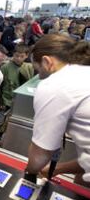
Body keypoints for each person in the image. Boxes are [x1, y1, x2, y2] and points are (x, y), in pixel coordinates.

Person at [24, 34, 90, 186]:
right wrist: (58, 169)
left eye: (38, 70)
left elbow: (41, 154)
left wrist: (30, 172)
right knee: (80, 181)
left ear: (47, 61)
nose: (39, 77)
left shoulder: (56, 84)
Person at [0, 44, 34, 145]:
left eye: (21, 56)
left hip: (18, 102)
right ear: (13, 54)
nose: (18, 58)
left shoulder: (29, 68)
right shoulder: (5, 67)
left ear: (26, 56)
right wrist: (0, 101)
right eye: (16, 55)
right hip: (5, 100)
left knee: (9, 123)